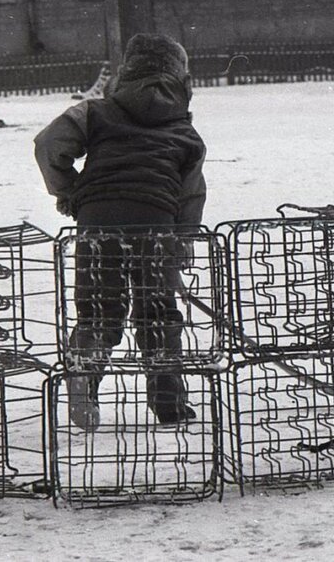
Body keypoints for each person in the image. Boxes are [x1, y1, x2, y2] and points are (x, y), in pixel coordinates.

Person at [33, 33, 207, 430]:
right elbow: (191, 193)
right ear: (182, 80)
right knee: (158, 313)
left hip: (99, 221)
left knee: (98, 309)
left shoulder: (96, 112)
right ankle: (168, 400)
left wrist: (71, 190)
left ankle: (85, 375)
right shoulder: (185, 133)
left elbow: (49, 145)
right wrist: (183, 240)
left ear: (126, 72)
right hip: (156, 224)